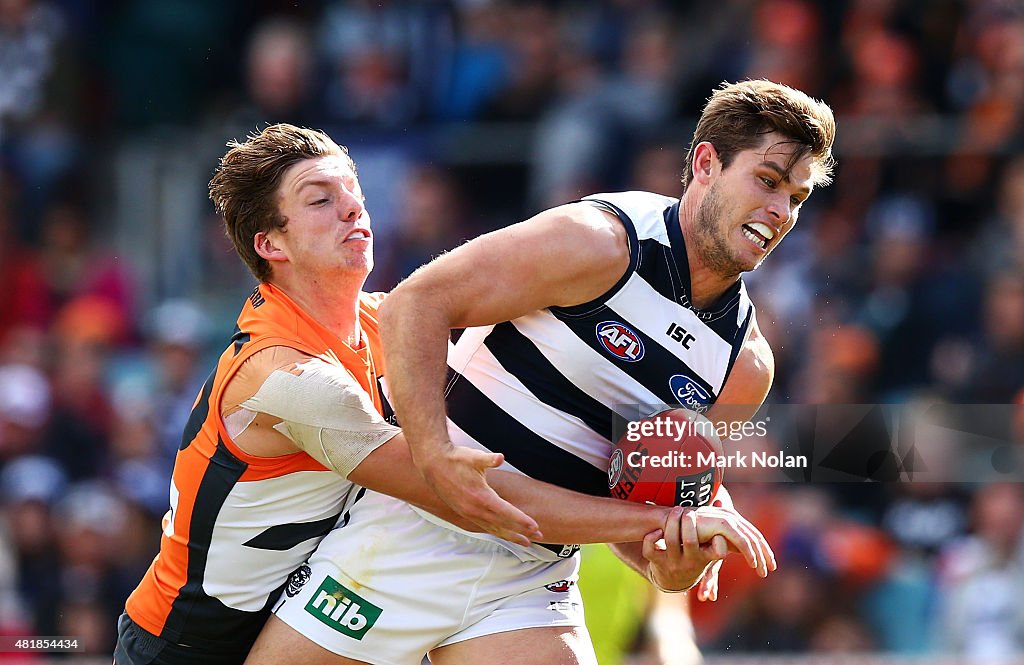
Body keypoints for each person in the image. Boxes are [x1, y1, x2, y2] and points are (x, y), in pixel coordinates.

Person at [115, 124, 772, 665]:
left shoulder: (382, 325)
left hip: (303, 606)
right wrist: (660, 521)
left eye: (355, 193)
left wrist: (694, 488)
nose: (353, 208)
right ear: (270, 243)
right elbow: (464, 492)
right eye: (320, 199)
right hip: (186, 644)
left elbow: (553, 389)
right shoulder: (283, 374)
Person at [253, 79, 830, 664]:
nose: (780, 211)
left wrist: (674, 557)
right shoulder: (602, 243)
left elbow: (632, 519)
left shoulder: (745, 366)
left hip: (531, 576)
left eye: (797, 198)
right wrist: (430, 452)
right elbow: (414, 304)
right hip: (410, 524)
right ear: (705, 163)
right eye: (767, 180)